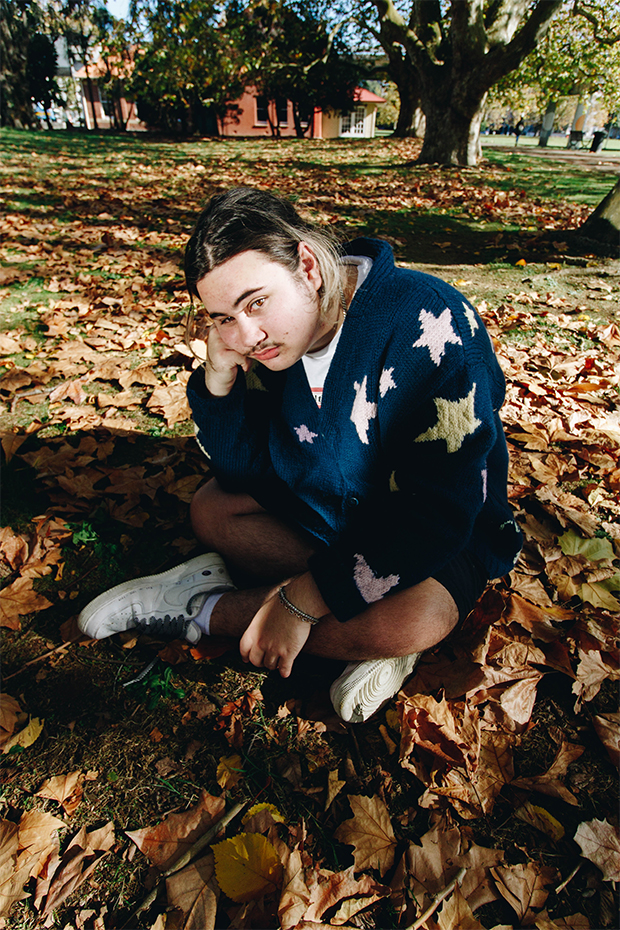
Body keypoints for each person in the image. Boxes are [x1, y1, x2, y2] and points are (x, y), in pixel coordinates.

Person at [78, 188, 522, 723]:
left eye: (255, 302)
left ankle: (201, 609)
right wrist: (218, 383)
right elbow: (244, 472)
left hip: (438, 535)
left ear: (308, 267)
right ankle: (357, 623)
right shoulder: (269, 345)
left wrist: (301, 603)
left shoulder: (429, 322)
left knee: (415, 618)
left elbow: (440, 513)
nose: (247, 335)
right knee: (213, 508)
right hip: (327, 510)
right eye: (222, 317)